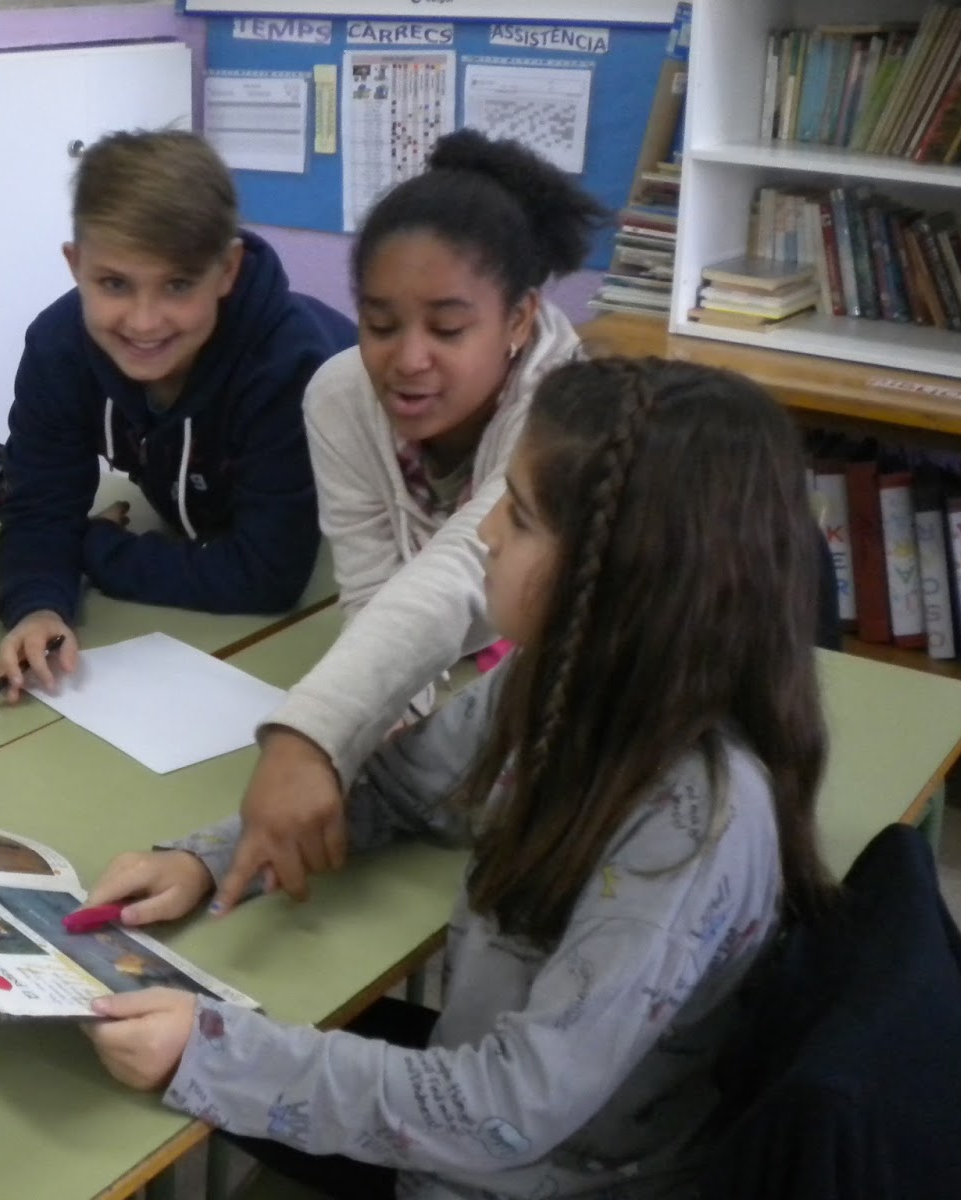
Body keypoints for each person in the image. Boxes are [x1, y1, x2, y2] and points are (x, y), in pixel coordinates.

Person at [79, 357, 838, 1200]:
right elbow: (402, 787)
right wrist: (209, 858)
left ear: (624, 575)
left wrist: (214, 1056)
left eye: (521, 514)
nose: (487, 534)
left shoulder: (692, 825)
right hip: (478, 1118)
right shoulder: (557, 678)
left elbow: (506, 1108)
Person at [220, 129, 609, 908]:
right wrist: (384, 725)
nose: (408, 359)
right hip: (449, 677)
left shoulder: (566, 413)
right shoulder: (340, 398)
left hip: (569, 693)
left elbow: (464, 564)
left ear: (520, 319)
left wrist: (311, 735)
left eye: (448, 328)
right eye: (380, 324)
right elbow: (371, 584)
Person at [0, 129, 355, 700]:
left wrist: (93, 549)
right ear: (76, 265)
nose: (143, 321)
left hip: (364, 546)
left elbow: (268, 574)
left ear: (227, 269)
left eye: (178, 285)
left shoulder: (288, 363)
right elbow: (39, 508)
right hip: (213, 532)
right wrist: (38, 606)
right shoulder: (58, 348)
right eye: (114, 283)